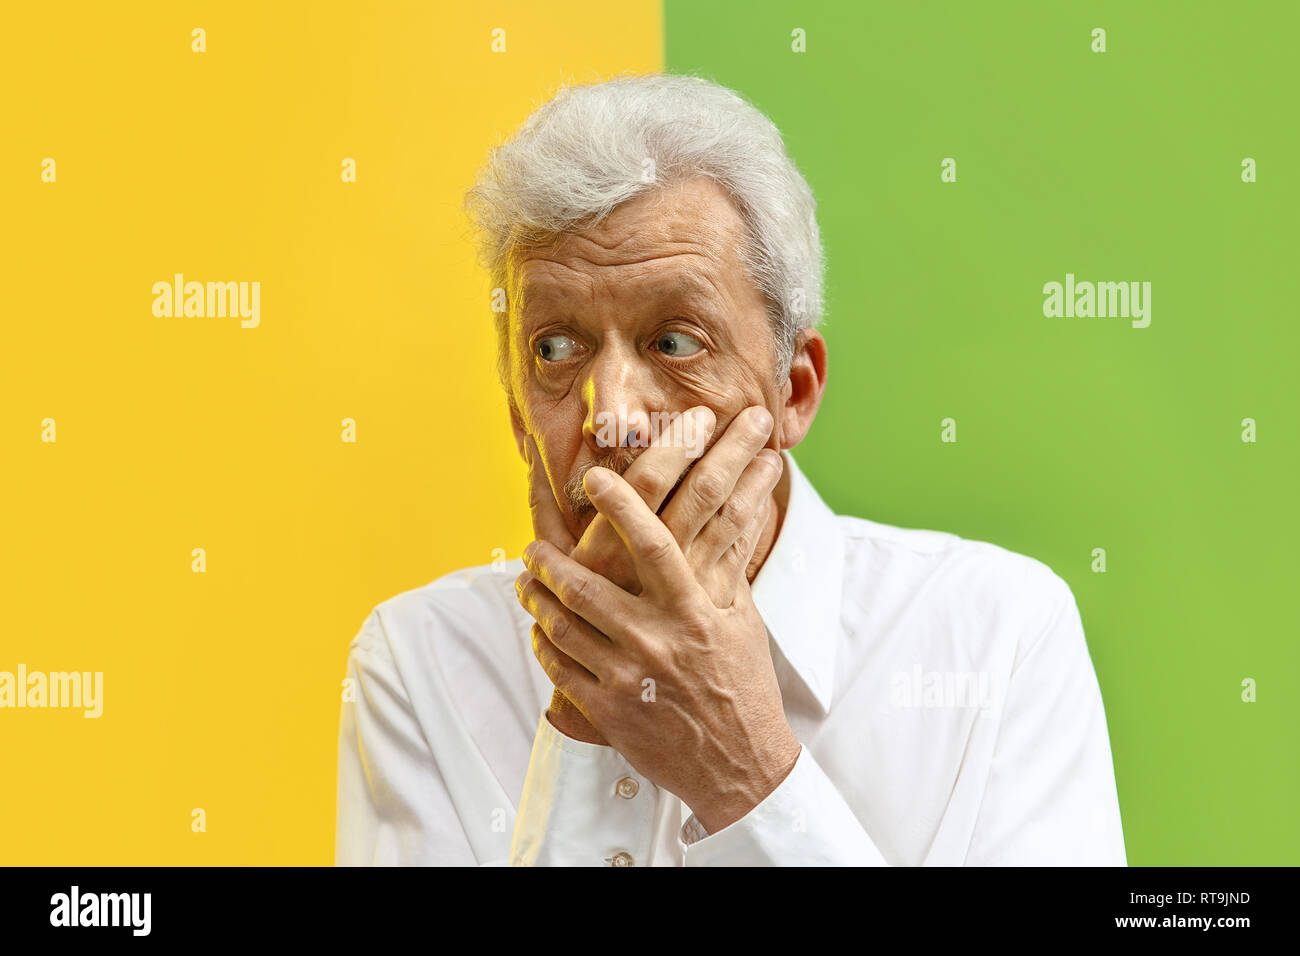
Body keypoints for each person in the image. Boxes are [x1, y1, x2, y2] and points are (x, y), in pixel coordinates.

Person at [334, 73, 1127, 866]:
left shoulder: (998, 639)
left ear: (794, 390)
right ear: (517, 416)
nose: (610, 415)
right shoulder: (418, 662)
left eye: (675, 342)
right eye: (554, 348)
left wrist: (744, 772)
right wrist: (580, 710)